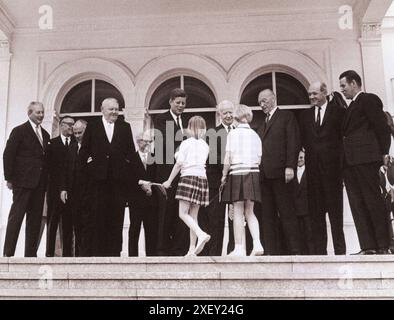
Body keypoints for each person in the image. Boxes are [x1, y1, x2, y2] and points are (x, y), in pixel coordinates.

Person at [340, 70, 391, 255]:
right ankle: (368, 246)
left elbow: (381, 127)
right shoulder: (351, 106)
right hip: (351, 162)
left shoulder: (368, 99)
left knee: (372, 201)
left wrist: (384, 152)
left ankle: (383, 245)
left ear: (354, 83)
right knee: (357, 203)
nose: (342, 90)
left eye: (344, 86)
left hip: (366, 159)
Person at [79, 98, 136, 257]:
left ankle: (114, 253)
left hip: (118, 182)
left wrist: (128, 175)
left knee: (116, 218)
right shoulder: (93, 126)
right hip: (98, 181)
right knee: (98, 217)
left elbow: (130, 153)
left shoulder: (125, 127)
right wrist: (89, 171)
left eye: (117, 109)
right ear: (102, 110)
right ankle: (97, 253)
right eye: (111, 109)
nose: (114, 112)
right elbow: (84, 151)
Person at [299, 82, 346, 255]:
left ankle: (340, 252)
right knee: (316, 217)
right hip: (313, 175)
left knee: (336, 216)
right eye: (309, 94)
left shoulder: (339, 113)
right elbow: (303, 141)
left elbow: (343, 141)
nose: (311, 97)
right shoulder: (305, 116)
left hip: (333, 174)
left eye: (315, 94)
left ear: (324, 93)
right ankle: (321, 253)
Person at [256, 89, 301, 256]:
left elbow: (293, 141)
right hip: (264, 176)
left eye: (264, 101)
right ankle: (270, 251)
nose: (262, 105)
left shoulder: (286, 117)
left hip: (282, 173)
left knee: (287, 212)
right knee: (267, 215)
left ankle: (295, 250)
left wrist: (290, 166)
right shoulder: (262, 123)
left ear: (274, 99)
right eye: (260, 102)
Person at [3, 101, 50, 257]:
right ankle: (8, 254)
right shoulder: (19, 131)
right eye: (38, 112)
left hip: (39, 184)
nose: (41, 115)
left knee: (35, 220)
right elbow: (8, 155)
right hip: (22, 183)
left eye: (42, 112)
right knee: (16, 218)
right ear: (29, 113)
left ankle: (30, 255)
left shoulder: (45, 134)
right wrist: (9, 178)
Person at [162, 116, 211, 256]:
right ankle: (191, 249)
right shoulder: (205, 145)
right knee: (193, 215)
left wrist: (169, 181)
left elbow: (179, 164)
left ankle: (201, 233)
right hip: (202, 179)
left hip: (188, 177)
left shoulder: (186, 143)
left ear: (190, 128)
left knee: (182, 213)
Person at [221, 104, 264, 257]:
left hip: (237, 173)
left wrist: (224, 175)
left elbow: (228, 157)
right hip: (253, 173)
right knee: (250, 212)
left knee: (238, 212)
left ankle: (239, 248)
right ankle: (257, 243)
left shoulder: (233, 134)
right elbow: (259, 158)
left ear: (236, 117)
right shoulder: (255, 134)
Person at [153, 88, 188, 256]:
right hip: (166, 173)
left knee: (180, 210)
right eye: (178, 103)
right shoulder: (161, 119)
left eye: (183, 103)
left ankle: (178, 248)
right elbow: (163, 144)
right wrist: (183, 145)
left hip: (183, 173)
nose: (181, 106)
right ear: (171, 102)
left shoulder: (186, 121)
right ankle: (162, 249)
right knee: (165, 211)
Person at [46, 116, 75, 257]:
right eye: (68, 124)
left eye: (73, 124)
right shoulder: (52, 143)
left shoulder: (76, 144)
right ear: (61, 125)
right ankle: (49, 254)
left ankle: (68, 256)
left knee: (69, 225)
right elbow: (47, 168)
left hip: (71, 191)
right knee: (52, 224)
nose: (71, 127)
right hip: (54, 191)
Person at [59, 119, 88, 257]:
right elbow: (65, 169)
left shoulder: (92, 146)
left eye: (80, 132)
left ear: (86, 131)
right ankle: (72, 255)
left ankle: (84, 256)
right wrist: (63, 188)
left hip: (88, 193)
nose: (77, 135)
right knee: (73, 224)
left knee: (85, 226)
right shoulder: (71, 147)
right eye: (75, 133)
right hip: (72, 193)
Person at [128, 131, 158, 257]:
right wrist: (142, 184)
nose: (147, 144)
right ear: (138, 141)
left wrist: (150, 186)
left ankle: (151, 256)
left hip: (151, 199)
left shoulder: (154, 158)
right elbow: (128, 178)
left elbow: (157, 177)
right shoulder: (130, 158)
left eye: (149, 141)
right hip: (136, 199)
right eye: (145, 141)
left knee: (151, 229)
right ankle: (132, 257)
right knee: (134, 228)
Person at [293, 150, 314, 255]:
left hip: (308, 209)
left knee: (310, 235)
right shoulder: (292, 172)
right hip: (296, 210)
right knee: (298, 235)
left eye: (301, 157)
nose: (299, 159)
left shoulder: (310, 172)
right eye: (297, 157)